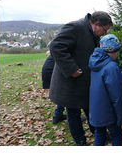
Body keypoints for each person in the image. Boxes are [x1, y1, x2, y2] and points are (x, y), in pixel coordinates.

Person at [49, 11, 113, 146]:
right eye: (104, 30)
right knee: (73, 113)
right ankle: (80, 141)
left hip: (85, 81)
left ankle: (99, 133)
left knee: (91, 108)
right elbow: (56, 46)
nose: (104, 33)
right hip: (70, 81)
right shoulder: (75, 27)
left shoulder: (91, 31)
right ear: (96, 24)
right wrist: (71, 69)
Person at [88, 34, 122, 146]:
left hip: (96, 109)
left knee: (99, 133)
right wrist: (121, 116)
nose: (117, 54)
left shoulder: (96, 62)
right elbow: (117, 97)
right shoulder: (111, 66)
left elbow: (110, 75)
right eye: (117, 51)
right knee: (117, 135)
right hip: (108, 111)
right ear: (113, 51)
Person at [41, 43, 66, 124]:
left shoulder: (55, 51)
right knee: (67, 93)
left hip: (49, 73)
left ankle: (58, 115)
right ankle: (69, 118)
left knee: (64, 94)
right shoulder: (62, 49)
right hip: (51, 73)